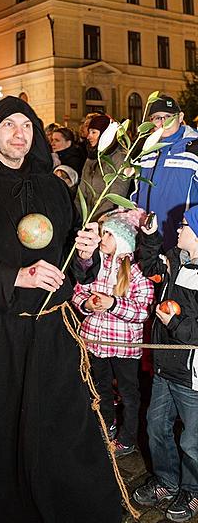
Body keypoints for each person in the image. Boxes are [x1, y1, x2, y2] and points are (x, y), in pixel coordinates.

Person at [0, 96, 122, 522]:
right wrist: (15, 276)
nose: (20, 134)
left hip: (50, 332)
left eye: (27, 126)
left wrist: (87, 255)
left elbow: (72, 264)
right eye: (9, 126)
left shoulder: (56, 188)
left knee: (56, 424)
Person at [133, 208, 198, 522]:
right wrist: (148, 235)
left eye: (185, 226)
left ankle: (193, 490)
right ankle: (167, 481)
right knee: (156, 427)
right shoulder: (174, 259)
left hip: (192, 375)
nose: (179, 229)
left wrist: (176, 322)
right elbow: (149, 265)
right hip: (164, 368)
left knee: (192, 440)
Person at [72, 208, 154, 457]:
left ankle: (128, 438)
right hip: (96, 342)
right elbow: (78, 290)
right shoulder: (95, 263)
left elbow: (143, 311)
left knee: (129, 393)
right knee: (101, 388)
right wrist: (86, 305)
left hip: (124, 346)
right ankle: (106, 425)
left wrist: (113, 304)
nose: (102, 239)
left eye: (108, 234)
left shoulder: (136, 270)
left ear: (122, 239)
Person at [131, 94, 198, 251]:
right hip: (149, 239)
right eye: (157, 118)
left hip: (183, 241)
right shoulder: (146, 150)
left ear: (180, 117)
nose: (163, 122)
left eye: (168, 116)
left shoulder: (194, 148)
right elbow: (137, 192)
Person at [77, 114, 130, 220]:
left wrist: (97, 218)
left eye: (94, 132)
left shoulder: (120, 157)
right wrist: (78, 214)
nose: (88, 136)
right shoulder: (91, 156)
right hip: (87, 218)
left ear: (105, 134)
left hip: (106, 219)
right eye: (89, 132)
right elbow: (82, 189)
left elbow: (118, 192)